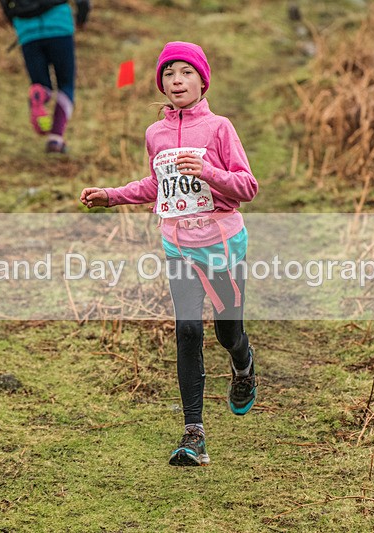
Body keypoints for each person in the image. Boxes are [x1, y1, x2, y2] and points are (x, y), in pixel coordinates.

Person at [80, 42, 259, 467]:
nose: (176, 81)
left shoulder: (220, 128)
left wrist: (210, 173)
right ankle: (193, 434)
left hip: (222, 244)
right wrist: (113, 196)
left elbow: (247, 187)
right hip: (178, 247)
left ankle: (243, 363)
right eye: (169, 74)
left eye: (185, 73)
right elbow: (154, 185)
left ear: (202, 80)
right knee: (187, 332)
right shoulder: (155, 133)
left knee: (226, 332)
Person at [0, 0, 91, 153]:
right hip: (59, 24)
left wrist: (12, 18)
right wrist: (82, 16)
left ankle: (40, 95)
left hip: (27, 28)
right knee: (66, 84)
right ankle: (55, 138)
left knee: (40, 85)